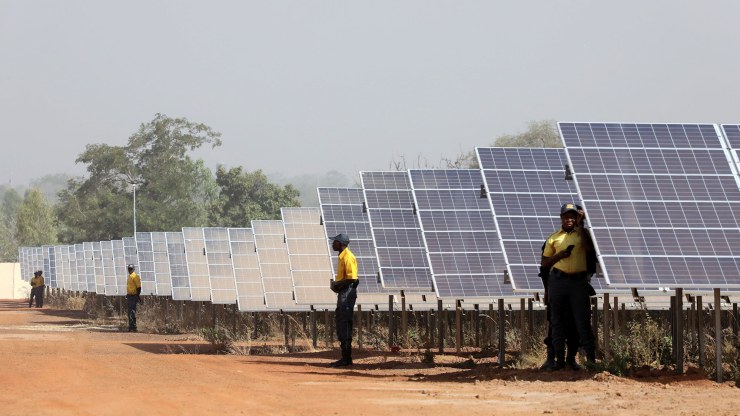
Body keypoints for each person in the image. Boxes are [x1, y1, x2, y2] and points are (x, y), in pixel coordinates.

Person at [541, 203, 596, 370]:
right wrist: (559, 256)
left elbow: (589, 249)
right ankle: (558, 360)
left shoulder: (584, 235)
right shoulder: (553, 238)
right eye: (566, 216)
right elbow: (544, 265)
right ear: (561, 218)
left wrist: (581, 225)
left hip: (578, 283)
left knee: (581, 321)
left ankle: (587, 361)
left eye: (573, 216)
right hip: (558, 282)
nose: (569, 219)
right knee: (557, 322)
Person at [328, 233, 359, 367]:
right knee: (341, 321)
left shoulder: (348, 257)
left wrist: (338, 284)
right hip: (344, 292)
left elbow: (352, 278)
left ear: (340, 244)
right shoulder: (342, 257)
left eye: (334, 242)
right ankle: (345, 357)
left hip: (347, 292)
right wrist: (337, 285)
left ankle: (347, 358)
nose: (332, 244)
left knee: (344, 322)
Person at [125, 264, 142, 332]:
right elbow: (130, 287)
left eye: (131, 269)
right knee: (130, 312)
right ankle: (131, 327)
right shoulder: (130, 276)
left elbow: (139, 287)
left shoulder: (135, 276)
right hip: (130, 296)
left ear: (133, 269)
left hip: (133, 296)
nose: (129, 270)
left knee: (131, 312)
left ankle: (133, 327)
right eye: (129, 269)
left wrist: (137, 296)